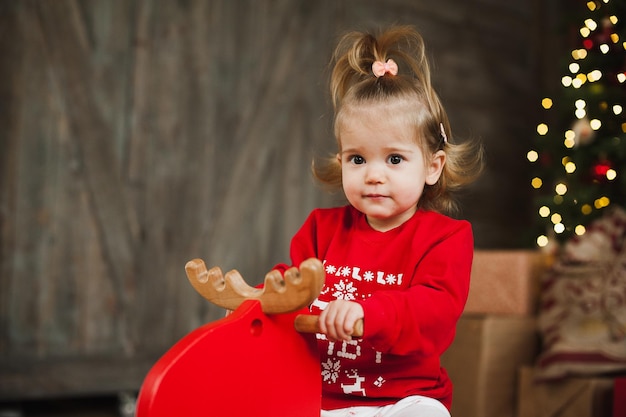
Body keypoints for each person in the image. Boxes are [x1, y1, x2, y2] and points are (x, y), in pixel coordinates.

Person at [275, 25, 484, 417]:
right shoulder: (321, 229)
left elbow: (433, 310)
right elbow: (292, 286)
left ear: (432, 167)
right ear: (341, 163)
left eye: (394, 159)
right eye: (357, 159)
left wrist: (368, 313)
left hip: (405, 399)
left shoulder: (447, 237)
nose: (373, 175)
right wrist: (259, 302)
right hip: (320, 401)